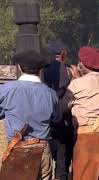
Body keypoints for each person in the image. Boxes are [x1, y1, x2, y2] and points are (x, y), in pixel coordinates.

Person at [0, 50, 60, 180]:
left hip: (18, 149)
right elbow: (57, 118)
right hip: (43, 149)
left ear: (20, 68)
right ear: (40, 70)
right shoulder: (50, 93)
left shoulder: (6, 89)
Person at [61, 46, 99, 180]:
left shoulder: (77, 84)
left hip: (87, 138)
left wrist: (74, 80)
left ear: (82, 64)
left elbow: (63, 108)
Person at [42, 40, 73, 180]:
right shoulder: (66, 70)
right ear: (62, 55)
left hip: (45, 123)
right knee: (62, 164)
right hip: (63, 120)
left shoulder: (41, 70)